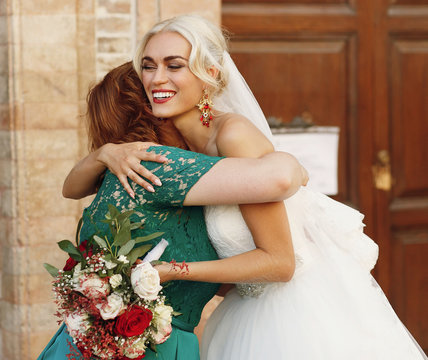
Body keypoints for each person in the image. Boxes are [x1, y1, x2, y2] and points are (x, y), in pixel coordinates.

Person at [64, 14, 428, 360]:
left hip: (293, 313)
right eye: (148, 65)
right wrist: (106, 153)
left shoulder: (234, 136)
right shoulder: (179, 151)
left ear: (209, 74)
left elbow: (281, 263)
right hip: (243, 308)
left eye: (174, 65)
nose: (157, 78)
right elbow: (72, 188)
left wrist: (175, 271)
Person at [37, 62, 307, 360]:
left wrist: (103, 153)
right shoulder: (157, 164)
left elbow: (70, 189)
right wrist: (297, 167)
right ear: (152, 109)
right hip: (147, 348)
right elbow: (279, 178)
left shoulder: (116, 173)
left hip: (89, 344)